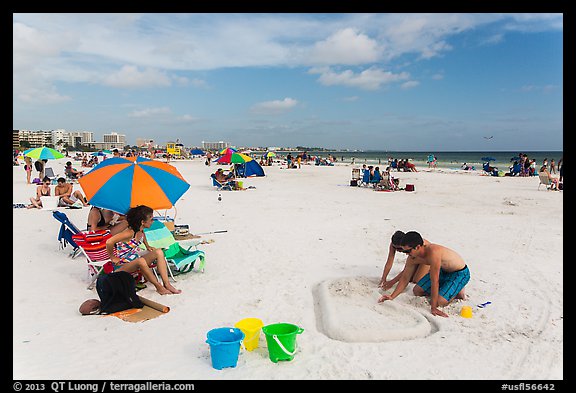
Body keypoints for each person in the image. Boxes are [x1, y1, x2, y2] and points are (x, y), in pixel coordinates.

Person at [378, 231, 470, 318]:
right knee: (417, 291)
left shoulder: (433, 252)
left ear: (417, 247)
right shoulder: (412, 257)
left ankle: (457, 290)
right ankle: (447, 290)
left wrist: (434, 307)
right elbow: (405, 278)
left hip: (459, 273)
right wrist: (392, 296)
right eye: (404, 251)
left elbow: (435, 281)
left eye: (408, 251)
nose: (406, 254)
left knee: (439, 301)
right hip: (443, 271)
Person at [105, 205, 181, 295]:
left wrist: (147, 246)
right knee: (141, 261)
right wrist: (113, 257)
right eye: (151, 219)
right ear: (142, 222)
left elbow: (142, 236)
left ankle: (167, 284)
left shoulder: (140, 230)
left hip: (134, 258)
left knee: (159, 252)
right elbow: (109, 242)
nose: (153, 221)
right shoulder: (129, 233)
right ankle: (158, 287)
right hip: (121, 265)